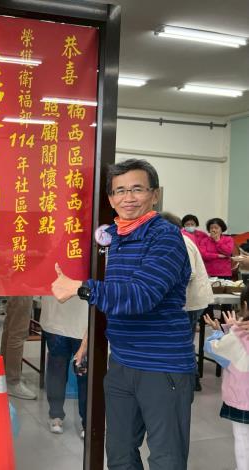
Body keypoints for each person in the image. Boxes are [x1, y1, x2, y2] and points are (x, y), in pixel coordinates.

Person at [51, 158, 194, 470]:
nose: (128, 198)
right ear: (111, 198)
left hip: (162, 366)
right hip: (121, 363)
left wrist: (80, 287)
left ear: (154, 194)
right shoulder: (114, 237)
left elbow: (140, 296)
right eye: (119, 191)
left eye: (137, 189)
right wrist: (88, 338)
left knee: (166, 460)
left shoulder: (165, 236)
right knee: (118, 454)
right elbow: (112, 297)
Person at [161, 212, 214, 391]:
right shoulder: (176, 240)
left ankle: (192, 380)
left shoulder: (181, 242)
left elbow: (188, 273)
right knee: (183, 340)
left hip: (191, 302)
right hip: (188, 300)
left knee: (184, 341)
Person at [204, 286, 249, 470]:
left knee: (243, 440)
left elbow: (214, 348)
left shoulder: (238, 335)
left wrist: (219, 333)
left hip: (242, 401)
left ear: (244, 305)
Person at [40, 296, 88, 437]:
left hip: (85, 320)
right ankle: (55, 415)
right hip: (56, 317)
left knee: (85, 372)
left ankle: (88, 421)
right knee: (57, 367)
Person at [1, 296, 37, 400]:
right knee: (18, 332)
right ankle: (12, 381)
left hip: (16, 289)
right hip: (23, 289)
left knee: (10, 329)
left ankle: (6, 375)